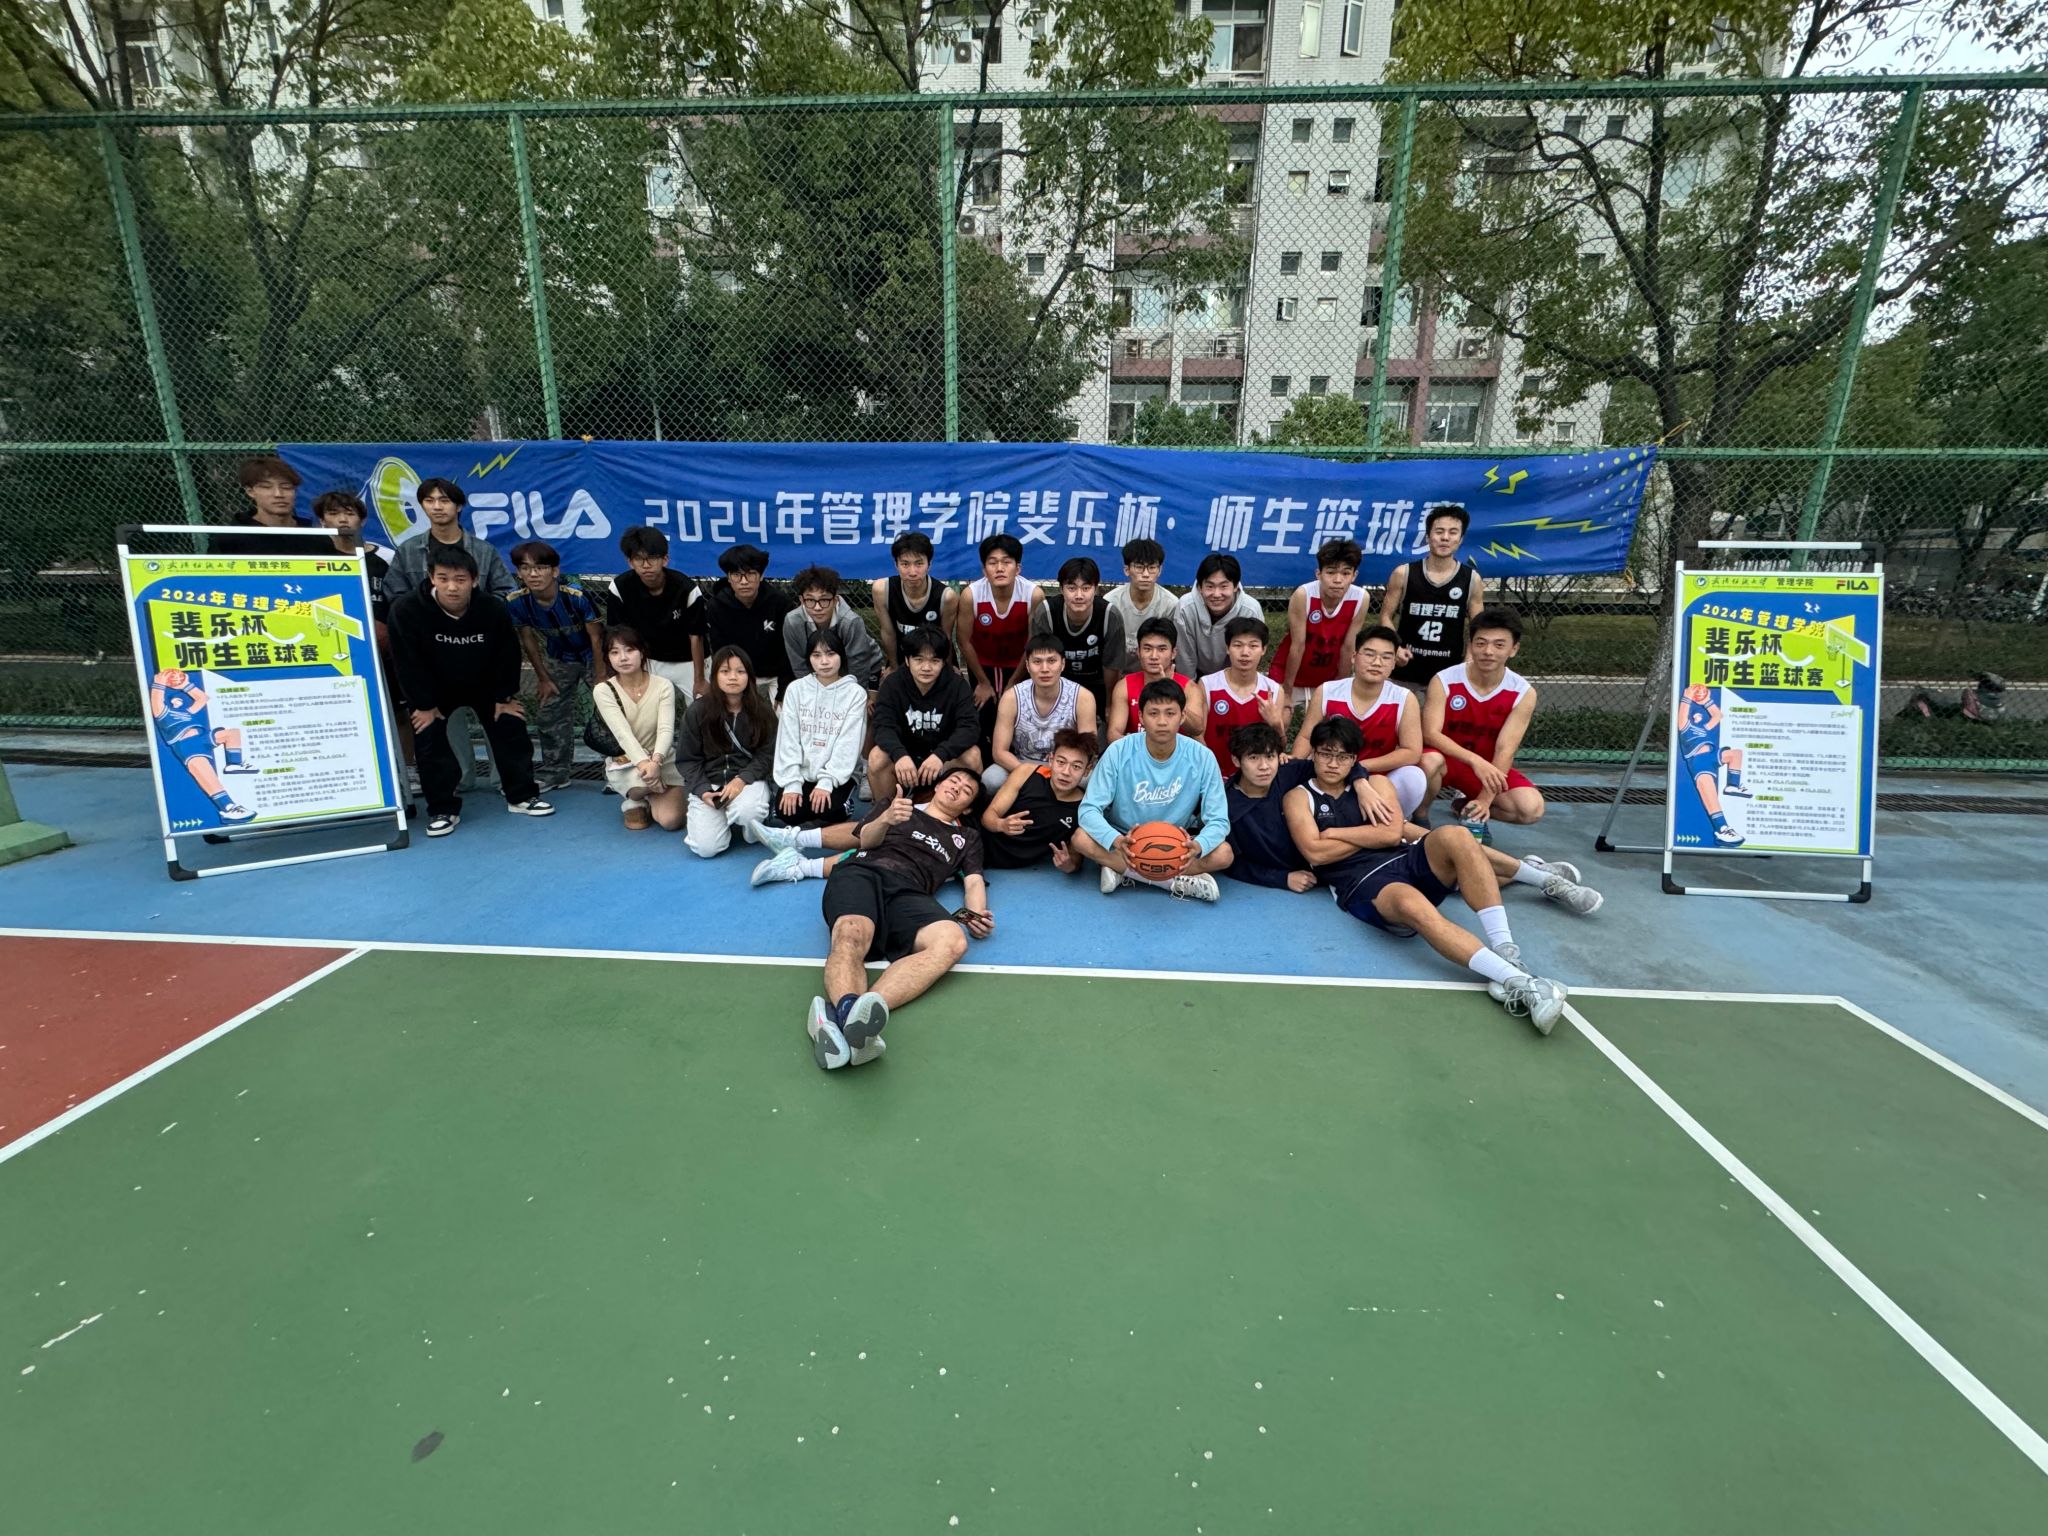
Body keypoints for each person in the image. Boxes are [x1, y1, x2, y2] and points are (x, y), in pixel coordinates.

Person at [1283, 716, 1594, 1035]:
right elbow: (1316, 853)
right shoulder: (1299, 797)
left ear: (1354, 759)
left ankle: (1506, 950)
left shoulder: (1376, 784)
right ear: (1313, 754)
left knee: (1456, 836)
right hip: (1362, 881)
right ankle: (1521, 983)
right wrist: (1372, 834)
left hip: (1404, 859)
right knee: (1412, 905)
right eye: (1325, 753)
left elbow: (1390, 834)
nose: (1333, 763)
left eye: (1343, 756)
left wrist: (1335, 832)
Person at [805, 764, 993, 1071]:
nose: (957, 788)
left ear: (968, 807)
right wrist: (886, 818)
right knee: (852, 933)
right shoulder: (896, 805)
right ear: (938, 785)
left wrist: (975, 914)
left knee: (952, 942)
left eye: (966, 790)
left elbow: (973, 881)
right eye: (954, 780)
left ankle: (850, 1019)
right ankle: (852, 1018)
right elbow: (865, 840)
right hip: (863, 872)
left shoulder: (966, 837)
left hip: (910, 892)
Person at [387, 543, 555, 836]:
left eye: (460, 579)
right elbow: (406, 661)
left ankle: (522, 795)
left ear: (475, 580)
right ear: (431, 577)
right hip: (435, 688)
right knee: (427, 733)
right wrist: (423, 704)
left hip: (483, 684)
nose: (452, 587)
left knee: (510, 721)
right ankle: (442, 809)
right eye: (443, 579)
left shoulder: (492, 608)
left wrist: (504, 696)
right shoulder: (407, 610)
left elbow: (506, 653)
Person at [1073, 677, 1234, 901]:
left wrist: (1197, 845)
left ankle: (1122, 871)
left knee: (1224, 854)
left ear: (1182, 716)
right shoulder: (1118, 751)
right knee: (1080, 838)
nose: (1162, 721)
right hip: (1125, 840)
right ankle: (1172, 882)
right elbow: (1088, 810)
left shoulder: (1202, 757)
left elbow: (1219, 820)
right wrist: (1116, 840)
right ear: (1140, 717)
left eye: (1170, 713)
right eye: (1153, 713)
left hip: (1177, 843)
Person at [1421, 608, 1544, 839]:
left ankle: (1467, 808)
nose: (1488, 651)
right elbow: (1430, 734)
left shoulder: (1522, 692)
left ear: (1514, 649)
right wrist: (1474, 760)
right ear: (1471, 645)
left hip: (1486, 768)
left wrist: (1485, 801)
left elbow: (1505, 749)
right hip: (1445, 761)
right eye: (1481, 643)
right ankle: (1420, 818)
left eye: (1499, 645)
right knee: (1428, 762)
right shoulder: (1444, 680)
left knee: (1530, 809)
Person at [316, 488, 411, 782]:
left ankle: (409, 770)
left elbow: (401, 603)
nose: (343, 520)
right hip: (337, 649)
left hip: (385, 650)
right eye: (333, 514)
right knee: (346, 714)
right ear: (322, 521)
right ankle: (358, 775)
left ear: (362, 519)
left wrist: (389, 632)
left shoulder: (385, 556)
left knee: (399, 710)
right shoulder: (312, 557)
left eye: (349, 513)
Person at [1291, 624, 1428, 822]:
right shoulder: (1328, 691)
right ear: (1354, 657)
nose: (1377, 662)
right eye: (1369, 654)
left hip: (1377, 778)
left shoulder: (1404, 698)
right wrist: (1294, 766)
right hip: (1331, 771)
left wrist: (1359, 768)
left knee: (1414, 777)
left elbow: (1412, 751)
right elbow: (1306, 736)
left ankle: (1393, 820)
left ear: (1393, 664)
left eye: (1386, 657)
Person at [507, 540, 605, 795]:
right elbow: (528, 639)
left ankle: (617, 769)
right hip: (559, 658)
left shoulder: (577, 597)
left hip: (593, 656)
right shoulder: (516, 602)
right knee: (549, 713)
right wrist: (543, 678)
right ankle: (556, 772)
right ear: (519, 573)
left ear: (554, 571)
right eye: (526, 568)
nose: (533, 574)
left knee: (610, 709)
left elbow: (597, 638)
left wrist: (601, 676)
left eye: (540, 567)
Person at [676, 645, 776, 855]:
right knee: (706, 849)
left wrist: (742, 780)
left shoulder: (762, 711)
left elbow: (767, 755)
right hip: (709, 782)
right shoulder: (697, 711)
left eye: (740, 671)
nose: (733, 677)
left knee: (748, 812)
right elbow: (688, 759)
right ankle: (718, 820)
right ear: (714, 676)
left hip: (747, 781)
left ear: (749, 676)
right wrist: (703, 790)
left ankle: (751, 821)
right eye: (725, 671)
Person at [868, 625, 981, 805]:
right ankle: (884, 812)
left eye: (934, 661)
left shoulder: (957, 686)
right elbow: (883, 726)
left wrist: (940, 754)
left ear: (943, 662)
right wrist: (899, 754)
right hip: (905, 759)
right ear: (907, 660)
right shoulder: (893, 684)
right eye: (919, 659)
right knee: (877, 757)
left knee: (972, 756)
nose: (926, 667)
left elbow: (969, 728)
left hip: (941, 760)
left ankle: (956, 813)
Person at [1381, 503, 1484, 694]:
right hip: (1406, 668)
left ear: (1461, 539)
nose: (1445, 537)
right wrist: (1395, 647)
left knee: (1439, 715)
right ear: (1428, 536)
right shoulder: (1404, 573)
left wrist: (1469, 660)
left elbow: (1478, 627)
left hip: (1448, 671)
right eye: (1439, 531)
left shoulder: (1472, 579)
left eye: (1453, 532)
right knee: (1399, 713)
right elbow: (1386, 616)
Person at [591, 626, 687, 832]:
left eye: (630, 650)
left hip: (662, 758)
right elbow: (622, 734)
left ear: (642, 652)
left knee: (672, 821)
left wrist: (656, 762)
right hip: (627, 762)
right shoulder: (603, 690)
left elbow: (665, 729)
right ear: (608, 658)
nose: (623, 658)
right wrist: (645, 765)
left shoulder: (663, 685)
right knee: (641, 792)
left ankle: (649, 796)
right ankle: (635, 799)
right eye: (614, 652)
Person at [772, 629, 869, 829]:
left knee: (828, 809)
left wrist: (827, 782)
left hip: (837, 774)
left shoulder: (855, 693)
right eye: (816, 655)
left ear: (841, 656)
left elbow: (848, 743)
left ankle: (843, 806)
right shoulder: (796, 689)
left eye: (830, 654)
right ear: (809, 659)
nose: (824, 662)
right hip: (803, 771)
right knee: (787, 812)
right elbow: (788, 738)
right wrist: (792, 783)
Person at [984, 636, 1099, 793]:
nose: (1044, 668)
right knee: (991, 779)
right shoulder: (1012, 697)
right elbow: (999, 752)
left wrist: (1060, 770)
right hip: (1022, 762)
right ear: (1027, 665)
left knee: (1090, 780)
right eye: (1037, 662)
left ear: (1062, 664)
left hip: (1066, 764)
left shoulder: (1082, 697)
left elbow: (1088, 748)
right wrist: (1036, 773)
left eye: (1052, 661)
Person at [958, 532, 1043, 741]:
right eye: (992, 562)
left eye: (1006, 562)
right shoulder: (971, 595)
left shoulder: (1033, 595)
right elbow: (963, 640)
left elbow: (1033, 643)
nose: (999, 568)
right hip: (982, 665)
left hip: (1020, 665)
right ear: (984, 569)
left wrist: (1014, 682)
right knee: (983, 719)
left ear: (1018, 568)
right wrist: (983, 682)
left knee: (1018, 717)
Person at [607, 526, 706, 699]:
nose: (646, 565)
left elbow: (696, 637)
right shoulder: (619, 587)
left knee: (702, 706)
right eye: (639, 559)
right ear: (630, 562)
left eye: (652, 558)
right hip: (648, 660)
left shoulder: (686, 589)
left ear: (665, 559)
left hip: (689, 660)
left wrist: (700, 679)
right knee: (646, 708)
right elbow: (617, 634)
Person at [383, 477, 516, 605]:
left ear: (459, 506)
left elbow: (507, 590)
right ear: (422, 506)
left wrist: (478, 611)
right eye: (429, 501)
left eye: (444, 501)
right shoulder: (408, 550)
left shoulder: (484, 550)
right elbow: (395, 594)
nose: (437, 507)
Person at [1220, 723, 1319, 892]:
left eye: (1270, 756)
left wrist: (1360, 783)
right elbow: (1233, 864)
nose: (1264, 766)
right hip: (1283, 886)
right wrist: (1283, 879)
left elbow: (1331, 768)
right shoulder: (1227, 805)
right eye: (1253, 758)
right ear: (1236, 760)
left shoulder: (1287, 772)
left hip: (1325, 863)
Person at [148, 667, 255, 823]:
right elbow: (157, 701)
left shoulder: (186, 712)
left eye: (180, 700)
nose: (178, 701)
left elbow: (203, 698)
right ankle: (228, 808)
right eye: (175, 700)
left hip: (201, 739)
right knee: (207, 776)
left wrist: (184, 686)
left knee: (232, 733)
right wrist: (159, 684)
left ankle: (234, 764)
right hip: (186, 745)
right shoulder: (163, 714)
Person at [980, 729, 1094, 872]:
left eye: (1076, 766)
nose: (1066, 772)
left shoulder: (1084, 807)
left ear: (1087, 770)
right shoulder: (1026, 772)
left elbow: (1075, 859)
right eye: (1061, 762)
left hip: (1020, 871)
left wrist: (1068, 865)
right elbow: (988, 817)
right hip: (982, 848)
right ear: (1051, 760)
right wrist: (1001, 824)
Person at [1270, 538, 1369, 702]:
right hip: (1287, 673)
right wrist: (1287, 690)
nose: (1338, 580)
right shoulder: (1304, 595)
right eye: (1331, 572)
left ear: (1354, 575)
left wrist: (1340, 688)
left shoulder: (1361, 598)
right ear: (1319, 574)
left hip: (1327, 677)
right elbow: (1298, 645)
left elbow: (1348, 648)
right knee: (1280, 714)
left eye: (1345, 573)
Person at [1029, 556, 1124, 718]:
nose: (1079, 595)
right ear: (1061, 589)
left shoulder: (1110, 615)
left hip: (1097, 683)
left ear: (1096, 589)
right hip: (1058, 682)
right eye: (1072, 588)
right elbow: (1039, 661)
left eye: (1086, 588)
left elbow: (1112, 666)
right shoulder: (1046, 613)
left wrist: (1110, 704)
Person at [1201, 615, 1288, 780]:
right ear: (1227, 648)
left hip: (1253, 781)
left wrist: (1277, 724)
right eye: (1237, 645)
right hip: (1213, 775)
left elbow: (1279, 747)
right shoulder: (1207, 685)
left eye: (1253, 646)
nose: (1245, 653)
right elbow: (1198, 735)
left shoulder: (1274, 690)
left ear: (1263, 649)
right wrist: (1209, 772)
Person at [703, 544, 795, 699]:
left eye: (751, 574)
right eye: (737, 575)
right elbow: (721, 651)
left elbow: (788, 650)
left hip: (776, 675)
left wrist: (783, 691)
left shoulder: (780, 603)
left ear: (761, 575)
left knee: (785, 711)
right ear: (729, 578)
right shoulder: (716, 606)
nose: (744, 581)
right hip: (738, 673)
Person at [782, 565, 885, 690]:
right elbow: (799, 665)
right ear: (802, 600)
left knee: (867, 700)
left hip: (866, 667)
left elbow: (858, 666)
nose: (817, 607)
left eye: (824, 600)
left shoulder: (851, 621)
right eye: (810, 600)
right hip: (824, 670)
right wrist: (812, 691)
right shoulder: (792, 622)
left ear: (835, 599)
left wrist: (855, 694)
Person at [1106, 617, 1205, 742]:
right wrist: (1145, 749)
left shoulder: (1189, 688)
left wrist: (1172, 692)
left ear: (1173, 653)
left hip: (1177, 752)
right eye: (1147, 649)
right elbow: (1113, 734)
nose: (1154, 656)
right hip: (1137, 752)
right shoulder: (1124, 686)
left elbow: (1197, 729)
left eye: (1162, 649)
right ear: (1138, 652)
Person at [1677, 684, 1749, 846]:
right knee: (1710, 795)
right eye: (1695, 716)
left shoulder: (1703, 728)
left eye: (1699, 715)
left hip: (1711, 756)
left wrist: (1706, 701)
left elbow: (1717, 715)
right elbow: (1683, 714)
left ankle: (1732, 786)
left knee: (1735, 754)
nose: (1698, 717)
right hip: (1698, 761)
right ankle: (1722, 829)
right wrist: (1688, 696)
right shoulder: (1685, 728)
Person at [872, 532, 957, 670]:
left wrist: (947, 670)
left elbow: (946, 637)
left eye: (919, 564)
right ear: (896, 565)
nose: (912, 572)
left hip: (934, 661)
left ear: (929, 564)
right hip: (901, 659)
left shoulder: (946, 596)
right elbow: (888, 632)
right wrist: (894, 667)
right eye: (905, 564)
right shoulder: (882, 590)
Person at [211, 457, 329, 555]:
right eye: (266, 487)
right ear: (250, 491)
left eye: (286, 487)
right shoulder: (230, 539)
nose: (279, 494)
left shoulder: (315, 536)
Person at [1172, 551, 1264, 678]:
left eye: (1223, 586)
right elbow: (1185, 656)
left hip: (1234, 676)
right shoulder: (1185, 607)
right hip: (1197, 674)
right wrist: (1189, 687)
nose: (1216, 594)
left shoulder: (1250, 610)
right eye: (1210, 586)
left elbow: (1251, 655)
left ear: (1236, 586)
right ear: (1200, 587)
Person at [1104, 537, 1178, 659]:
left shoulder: (1171, 604)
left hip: (1155, 667)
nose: (1146, 574)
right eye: (1139, 567)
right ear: (1127, 570)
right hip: (1118, 668)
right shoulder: (1111, 602)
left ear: (1160, 570)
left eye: (1152, 568)